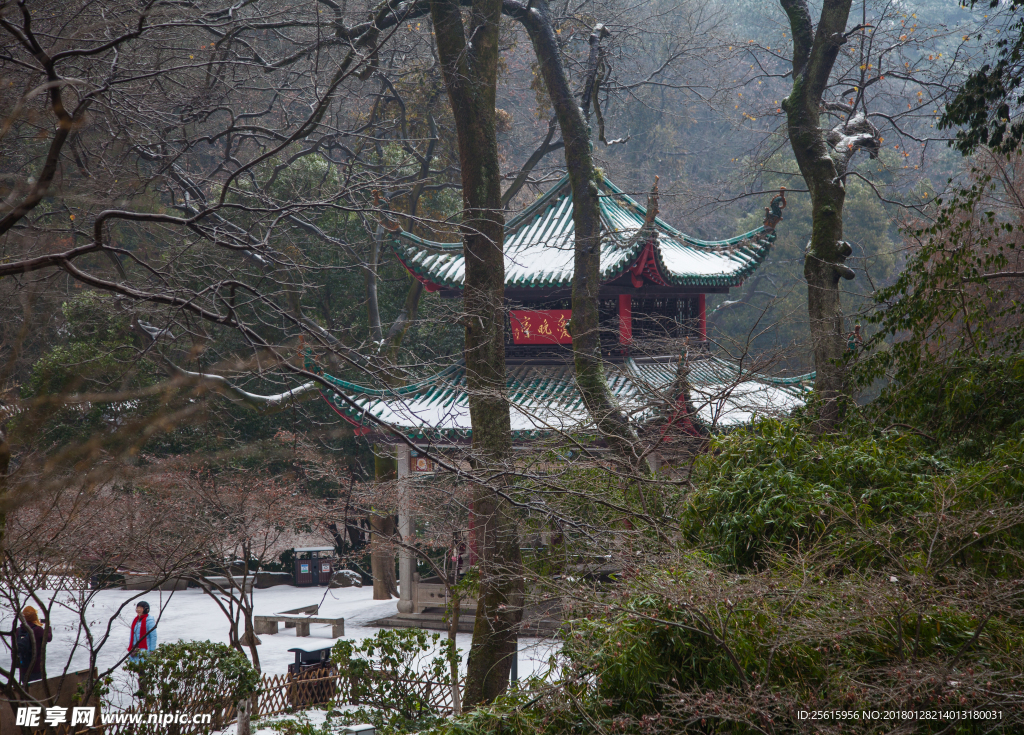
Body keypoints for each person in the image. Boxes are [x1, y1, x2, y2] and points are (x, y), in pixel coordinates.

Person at [17, 605, 52, 685]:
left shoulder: (18, 631)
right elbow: (48, 638)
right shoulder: (38, 630)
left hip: (23, 668)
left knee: (26, 689)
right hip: (36, 668)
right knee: (38, 690)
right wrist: (48, 627)